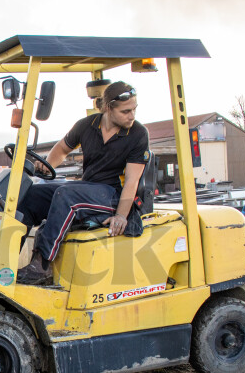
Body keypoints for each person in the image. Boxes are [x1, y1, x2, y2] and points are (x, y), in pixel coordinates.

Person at [16, 81, 149, 285]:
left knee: (66, 195)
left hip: (113, 196)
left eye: (134, 110)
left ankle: (42, 265)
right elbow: (61, 149)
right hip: (87, 189)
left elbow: (132, 179)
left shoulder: (138, 134)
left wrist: (121, 215)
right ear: (107, 108)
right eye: (126, 111)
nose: (132, 115)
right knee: (34, 194)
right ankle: (7, 255)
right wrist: (46, 166)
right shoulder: (86, 125)